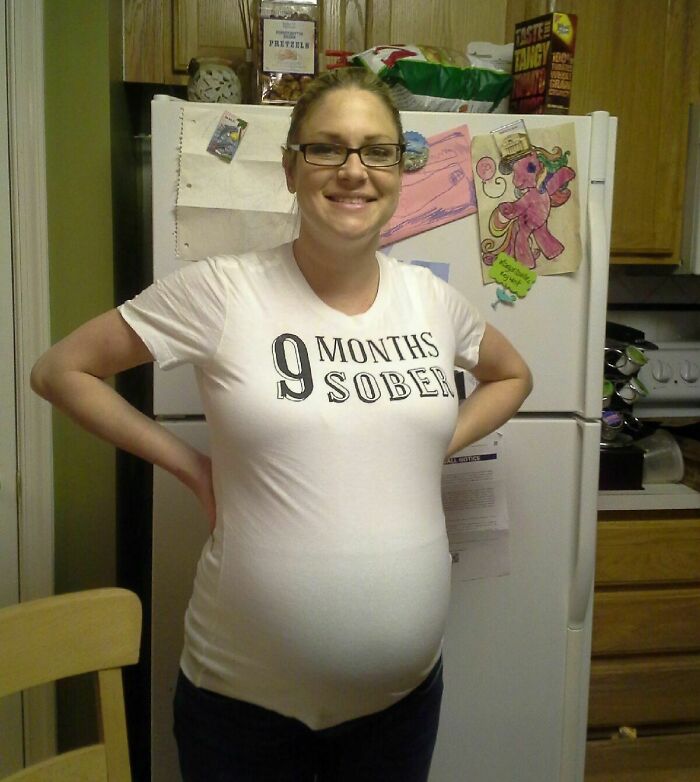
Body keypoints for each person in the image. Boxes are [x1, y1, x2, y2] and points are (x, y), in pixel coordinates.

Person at [31, 67, 532, 782]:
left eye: (377, 151)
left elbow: (514, 376)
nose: (353, 170)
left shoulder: (432, 302)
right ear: (292, 167)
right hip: (243, 715)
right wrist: (190, 466)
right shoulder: (222, 290)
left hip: (400, 710)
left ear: (400, 170)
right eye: (328, 148)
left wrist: (432, 444)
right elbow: (60, 371)